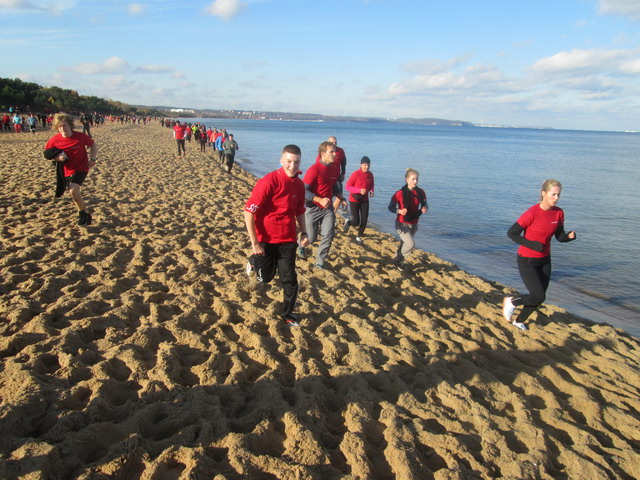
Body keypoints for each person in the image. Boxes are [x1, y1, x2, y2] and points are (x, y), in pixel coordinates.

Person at [244, 144, 309, 327]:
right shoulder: (268, 182)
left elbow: (299, 211)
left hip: (287, 239)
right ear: (281, 161)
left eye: (296, 162)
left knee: (289, 279)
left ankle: (288, 314)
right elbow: (248, 211)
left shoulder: (299, 185)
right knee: (265, 278)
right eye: (288, 161)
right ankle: (252, 261)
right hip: (265, 239)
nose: (292, 166)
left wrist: (304, 232)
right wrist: (254, 243)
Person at [502, 179, 577, 331]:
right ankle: (512, 301)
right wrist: (532, 244)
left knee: (539, 296)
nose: (556, 198)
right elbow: (512, 233)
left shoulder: (559, 213)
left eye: (558, 195)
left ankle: (519, 321)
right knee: (538, 295)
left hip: (545, 260)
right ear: (543, 193)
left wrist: (568, 237)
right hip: (527, 260)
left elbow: (559, 236)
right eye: (553, 194)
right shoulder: (532, 213)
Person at [300, 141, 346, 268]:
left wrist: (341, 197)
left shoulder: (335, 169)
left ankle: (319, 262)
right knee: (312, 238)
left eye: (335, 151)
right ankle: (301, 245)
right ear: (323, 153)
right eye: (332, 151)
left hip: (327, 208)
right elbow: (303, 190)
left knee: (329, 234)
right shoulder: (314, 170)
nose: (335, 154)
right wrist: (319, 199)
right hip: (312, 207)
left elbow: (333, 186)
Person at [44, 113, 97, 226]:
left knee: (73, 190)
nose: (62, 128)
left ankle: (82, 214)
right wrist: (57, 157)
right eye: (60, 126)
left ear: (70, 125)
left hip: (82, 167)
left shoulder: (81, 136)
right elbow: (47, 153)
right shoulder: (54, 140)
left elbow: (93, 145)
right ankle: (84, 213)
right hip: (66, 170)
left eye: (64, 125)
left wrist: (93, 159)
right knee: (74, 194)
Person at [388, 168, 428, 271]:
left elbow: (425, 204)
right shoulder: (399, 193)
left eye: (417, 179)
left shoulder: (421, 192)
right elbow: (390, 207)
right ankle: (398, 259)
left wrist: (425, 208)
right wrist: (399, 211)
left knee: (404, 244)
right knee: (411, 245)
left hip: (414, 223)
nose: (415, 181)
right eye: (413, 179)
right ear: (407, 179)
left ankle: (398, 261)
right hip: (401, 223)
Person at [344, 156, 374, 243]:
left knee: (364, 220)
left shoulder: (370, 174)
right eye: (365, 165)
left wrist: (372, 191)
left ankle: (359, 236)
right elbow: (347, 186)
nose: (366, 167)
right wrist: (359, 190)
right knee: (356, 221)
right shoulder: (355, 174)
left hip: (364, 200)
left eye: (368, 165)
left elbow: (371, 184)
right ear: (361, 165)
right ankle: (349, 223)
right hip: (354, 200)